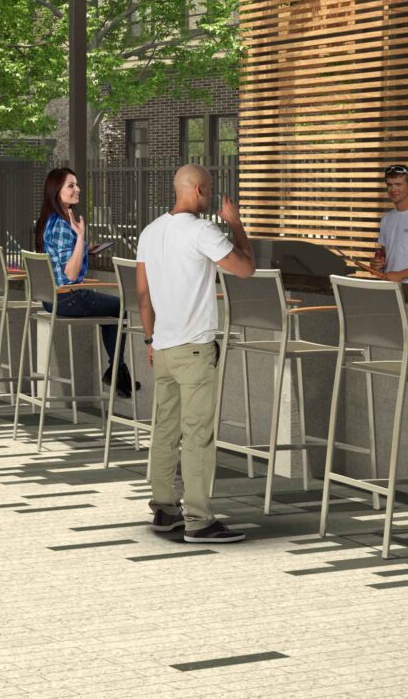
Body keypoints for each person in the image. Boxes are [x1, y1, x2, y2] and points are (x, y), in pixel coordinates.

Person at [133, 165, 254, 545]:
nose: (210, 196)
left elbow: (143, 295)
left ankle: (165, 507)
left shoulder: (150, 232)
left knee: (165, 430)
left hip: (164, 347)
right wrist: (235, 224)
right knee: (197, 434)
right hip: (195, 347)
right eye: (210, 190)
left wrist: (150, 340)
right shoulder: (203, 231)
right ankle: (199, 520)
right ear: (199, 190)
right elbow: (246, 269)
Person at [36, 166, 126, 395]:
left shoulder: (50, 220)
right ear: (57, 191)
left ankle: (117, 371)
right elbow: (71, 275)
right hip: (69, 297)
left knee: (111, 312)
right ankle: (117, 372)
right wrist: (80, 237)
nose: (78, 189)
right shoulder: (64, 227)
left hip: (51, 299)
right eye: (71, 185)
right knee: (121, 309)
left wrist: (84, 248)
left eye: (76, 184)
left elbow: (60, 256)